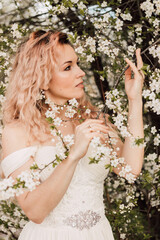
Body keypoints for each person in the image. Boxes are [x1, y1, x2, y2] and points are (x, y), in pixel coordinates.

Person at [1, 30, 144, 240]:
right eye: (68, 67)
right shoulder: (17, 132)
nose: (81, 73)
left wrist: (135, 100)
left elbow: (130, 169)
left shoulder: (91, 117)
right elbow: (35, 212)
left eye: (77, 64)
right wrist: (73, 156)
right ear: (41, 80)